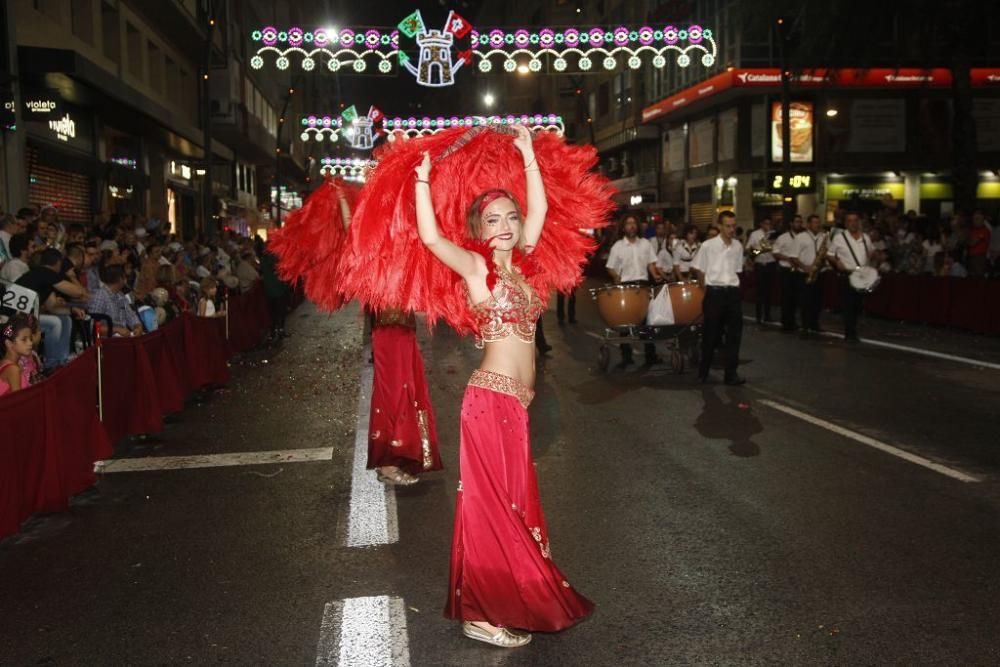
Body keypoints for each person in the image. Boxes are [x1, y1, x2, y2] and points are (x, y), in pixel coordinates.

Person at [414, 126, 593, 647]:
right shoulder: (476, 270)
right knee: (489, 507)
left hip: (517, 403)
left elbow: (539, 214)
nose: (508, 226)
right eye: (493, 219)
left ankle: (508, 594)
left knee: (513, 503)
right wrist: (424, 182)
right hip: (489, 400)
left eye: (510, 218)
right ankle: (481, 612)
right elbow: (430, 239)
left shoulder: (525, 268)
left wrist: (528, 155)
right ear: (479, 228)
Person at [605, 213, 665, 368]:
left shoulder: (645, 243)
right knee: (625, 322)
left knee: (647, 321)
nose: (631, 226)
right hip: (626, 286)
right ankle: (626, 356)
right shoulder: (618, 246)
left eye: (634, 223)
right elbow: (610, 267)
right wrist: (615, 277)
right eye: (628, 223)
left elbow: (651, 264)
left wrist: (656, 275)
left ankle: (650, 356)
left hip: (643, 284)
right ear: (623, 227)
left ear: (637, 226)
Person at [692, 211, 745, 385]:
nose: (731, 229)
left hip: (732, 293)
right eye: (728, 226)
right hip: (714, 293)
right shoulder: (708, 245)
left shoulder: (738, 246)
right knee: (710, 334)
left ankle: (731, 373)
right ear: (720, 226)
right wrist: (705, 289)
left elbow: (737, 270)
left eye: (733, 226)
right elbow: (700, 269)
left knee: (734, 335)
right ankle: (703, 371)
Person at [827, 211, 872, 343]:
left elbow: (870, 253)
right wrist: (837, 263)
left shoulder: (865, 238)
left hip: (861, 276)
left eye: (855, 220)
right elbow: (830, 254)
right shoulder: (839, 238)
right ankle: (850, 333)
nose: (853, 223)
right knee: (849, 305)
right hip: (847, 274)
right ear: (846, 223)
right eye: (850, 221)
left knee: (858, 305)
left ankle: (853, 329)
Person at [87, 264, 143, 337]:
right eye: (125, 277)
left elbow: (131, 316)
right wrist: (116, 329)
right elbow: (93, 327)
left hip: (123, 337)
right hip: (106, 340)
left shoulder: (120, 295)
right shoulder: (100, 296)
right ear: (120, 279)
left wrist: (137, 327)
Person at [794, 214, 828, 334]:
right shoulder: (800, 237)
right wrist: (805, 267)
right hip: (805, 273)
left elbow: (826, 253)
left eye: (818, 222)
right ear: (808, 224)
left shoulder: (824, 237)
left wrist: (824, 262)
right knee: (805, 301)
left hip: (820, 272)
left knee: (817, 300)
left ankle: (815, 323)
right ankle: (805, 325)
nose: (817, 225)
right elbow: (794, 257)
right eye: (814, 222)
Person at [773, 215, 804, 332]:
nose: (799, 224)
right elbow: (775, 252)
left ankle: (793, 320)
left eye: (800, 222)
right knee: (786, 297)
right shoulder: (783, 237)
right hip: (786, 270)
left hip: (798, 270)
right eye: (796, 222)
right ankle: (786, 322)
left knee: (796, 298)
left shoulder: (803, 237)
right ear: (791, 224)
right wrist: (788, 258)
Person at [746, 218, 776, 324]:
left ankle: (767, 315)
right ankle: (758, 316)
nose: (768, 225)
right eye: (766, 223)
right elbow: (748, 249)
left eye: (769, 223)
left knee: (769, 291)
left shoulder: (774, 234)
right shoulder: (755, 234)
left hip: (771, 263)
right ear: (761, 224)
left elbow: (777, 249)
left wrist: (771, 244)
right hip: (760, 264)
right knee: (759, 291)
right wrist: (760, 249)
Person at [1, 313, 34, 395]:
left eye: (30, 339)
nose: (30, 343)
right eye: (24, 339)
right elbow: (18, 403)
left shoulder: (7, 363)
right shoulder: (13, 369)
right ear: (9, 343)